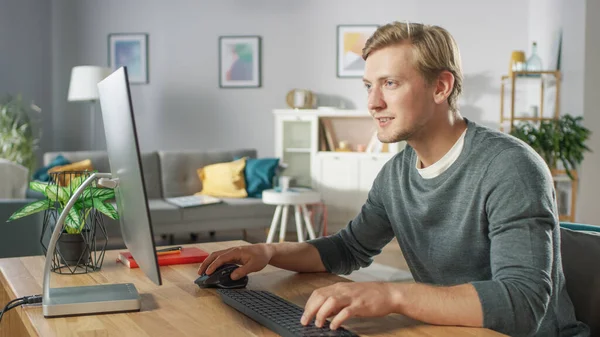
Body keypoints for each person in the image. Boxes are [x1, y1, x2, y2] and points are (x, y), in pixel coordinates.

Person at [198, 21, 589, 337]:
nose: (372, 103)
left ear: (441, 86)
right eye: (369, 86)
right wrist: (268, 253)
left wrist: (393, 295)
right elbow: (347, 249)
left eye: (390, 83)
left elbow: (522, 307)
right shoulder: (396, 175)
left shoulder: (510, 167)